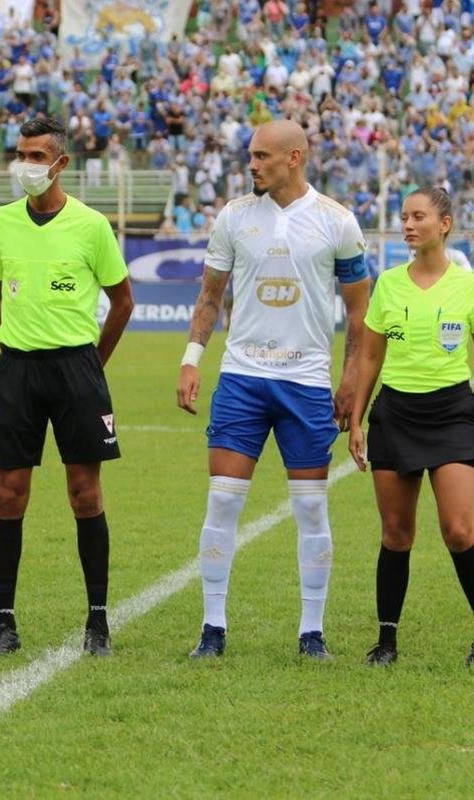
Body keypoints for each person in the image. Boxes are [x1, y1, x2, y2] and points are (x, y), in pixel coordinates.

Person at [177, 119, 370, 660]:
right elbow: (210, 297)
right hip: (242, 377)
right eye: (250, 156)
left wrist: (351, 379)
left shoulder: (338, 222)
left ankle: (312, 632)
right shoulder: (234, 217)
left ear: (295, 157)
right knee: (222, 500)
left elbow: (359, 313)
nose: (253, 165)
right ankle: (212, 629)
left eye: (262, 156)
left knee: (311, 509)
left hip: (306, 383)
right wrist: (192, 360)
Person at [0, 117, 134, 658]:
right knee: (9, 493)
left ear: (61, 163)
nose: (28, 165)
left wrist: (93, 363)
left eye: (38, 156)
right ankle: (4, 624)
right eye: (21, 154)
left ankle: (97, 623)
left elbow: (123, 302)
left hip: (76, 371)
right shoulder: (0, 223)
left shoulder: (91, 226)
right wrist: (10, 347)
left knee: (84, 493)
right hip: (18, 369)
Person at [348, 187, 474, 667]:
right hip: (395, 414)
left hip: (453, 413)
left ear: (444, 224)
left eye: (418, 216)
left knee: (460, 530)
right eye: (404, 217)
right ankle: (386, 641)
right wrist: (357, 419)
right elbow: (370, 356)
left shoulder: (467, 285)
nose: (408, 224)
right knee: (396, 533)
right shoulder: (389, 284)